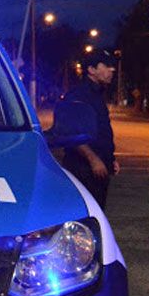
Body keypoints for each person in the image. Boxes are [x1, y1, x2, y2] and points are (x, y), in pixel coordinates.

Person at [56, 49, 120, 210]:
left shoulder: (97, 95)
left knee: (97, 212)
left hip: (98, 168)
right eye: (106, 66)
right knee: (84, 216)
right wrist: (93, 159)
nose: (112, 70)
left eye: (112, 66)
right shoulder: (79, 95)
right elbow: (72, 132)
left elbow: (100, 131)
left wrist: (110, 158)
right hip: (83, 168)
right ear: (91, 70)